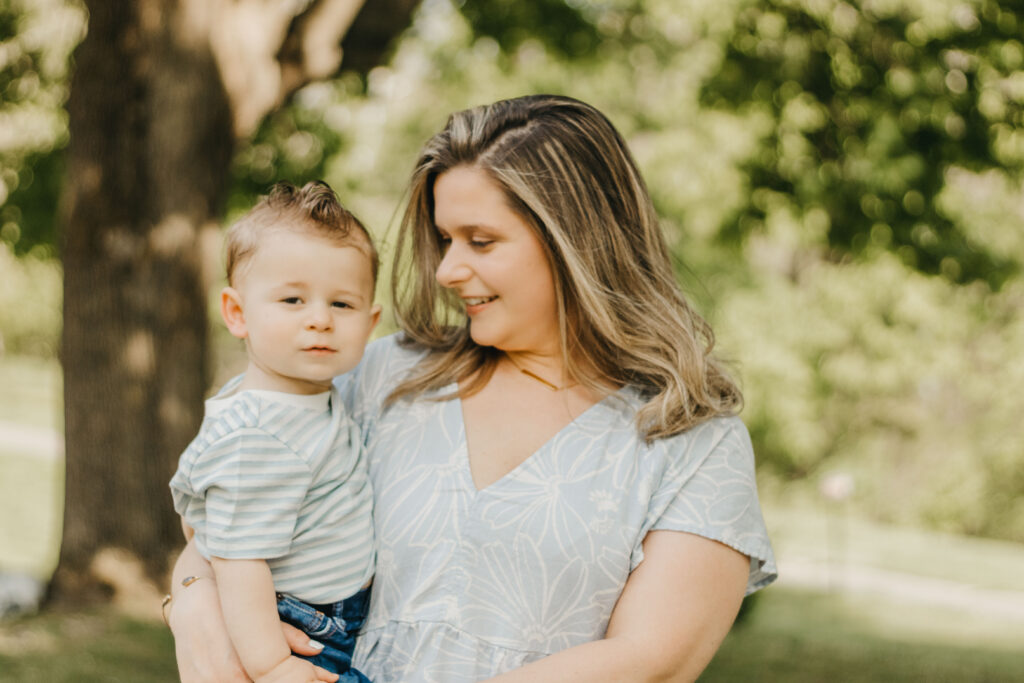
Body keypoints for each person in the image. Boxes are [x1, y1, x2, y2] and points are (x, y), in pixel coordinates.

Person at [167, 95, 777, 683]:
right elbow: (232, 508)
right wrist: (191, 603)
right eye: (446, 239)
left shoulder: (692, 439)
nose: (447, 270)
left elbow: (650, 661)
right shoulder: (377, 375)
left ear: (576, 243)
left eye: (480, 241)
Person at [168, 181, 381, 683]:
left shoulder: (296, 400)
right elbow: (239, 563)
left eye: (342, 305)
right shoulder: (260, 432)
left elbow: (199, 516)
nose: (320, 320)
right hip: (298, 631)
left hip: (325, 616)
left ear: (370, 324)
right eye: (292, 300)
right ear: (237, 313)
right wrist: (272, 665)